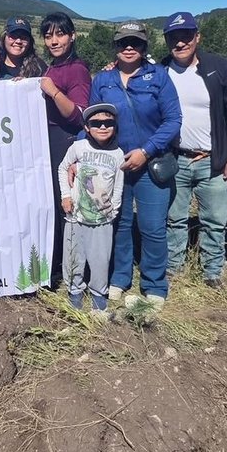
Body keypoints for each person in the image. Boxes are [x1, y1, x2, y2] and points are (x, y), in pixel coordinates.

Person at [89, 21, 182, 310]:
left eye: (136, 43)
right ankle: (119, 278)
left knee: (152, 226)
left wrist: (146, 150)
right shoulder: (102, 81)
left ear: (144, 47)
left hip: (150, 162)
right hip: (114, 165)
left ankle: (154, 284)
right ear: (115, 47)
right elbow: (92, 122)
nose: (129, 47)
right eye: (123, 43)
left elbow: (173, 120)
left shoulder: (159, 77)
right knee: (119, 224)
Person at [160, 12, 227, 288]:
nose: (180, 42)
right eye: (174, 37)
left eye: (186, 36)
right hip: (177, 158)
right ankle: (174, 268)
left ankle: (212, 272)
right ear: (167, 41)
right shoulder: (161, 70)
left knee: (214, 220)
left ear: (197, 37)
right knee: (175, 218)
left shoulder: (218, 67)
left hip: (214, 159)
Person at [37, 12, 91, 289]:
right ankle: (58, 264)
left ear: (72, 36)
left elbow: (79, 115)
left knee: (66, 203)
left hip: (65, 140)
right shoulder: (52, 67)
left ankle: (72, 270)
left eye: (59, 34)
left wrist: (53, 92)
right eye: (48, 36)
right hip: (49, 139)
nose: (54, 41)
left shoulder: (76, 69)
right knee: (53, 203)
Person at [58, 103, 126, 318]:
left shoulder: (117, 154)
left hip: (102, 219)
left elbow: (118, 184)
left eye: (108, 123)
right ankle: (75, 294)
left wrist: (113, 210)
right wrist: (66, 196)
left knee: (100, 259)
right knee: (74, 257)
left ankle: (99, 298)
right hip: (75, 216)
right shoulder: (78, 148)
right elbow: (62, 168)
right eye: (96, 123)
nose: (103, 127)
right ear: (87, 127)